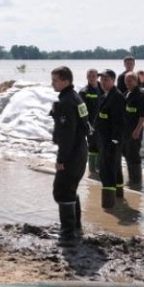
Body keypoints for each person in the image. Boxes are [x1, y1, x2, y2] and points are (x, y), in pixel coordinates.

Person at [49, 67, 89, 247]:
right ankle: (75, 227)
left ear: (66, 81)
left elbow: (67, 135)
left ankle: (68, 233)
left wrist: (61, 160)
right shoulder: (75, 97)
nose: (52, 83)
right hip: (80, 150)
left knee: (62, 190)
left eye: (55, 80)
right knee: (70, 189)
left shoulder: (67, 101)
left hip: (72, 153)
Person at [95, 69, 126, 208]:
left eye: (106, 79)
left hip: (111, 141)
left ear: (113, 81)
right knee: (116, 168)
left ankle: (108, 205)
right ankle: (119, 197)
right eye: (101, 80)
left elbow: (119, 122)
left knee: (107, 170)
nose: (102, 82)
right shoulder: (104, 96)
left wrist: (115, 141)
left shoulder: (117, 97)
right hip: (104, 139)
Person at [123, 72, 144, 188]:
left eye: (130, 80)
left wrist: (137, 130)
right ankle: (131, 179)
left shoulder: (142, 94)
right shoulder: (127, 93)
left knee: (134, 155)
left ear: (136, 81)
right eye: (126, 80)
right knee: (127, 154)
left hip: (135, 130)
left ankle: (137, 181)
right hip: (126, 130)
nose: (128, 83)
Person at [78, 69, 103, 180]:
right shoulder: (84, 91)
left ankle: (99, 169)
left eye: (94, 76)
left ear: (97, 77)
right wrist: (85, 124)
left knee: (102, 145)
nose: (92, 78)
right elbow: (80, 110)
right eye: (90, 76)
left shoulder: (102, 89)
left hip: (102, 123)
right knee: (93, 146)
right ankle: (93, 171)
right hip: (91, 124)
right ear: (87, 77)